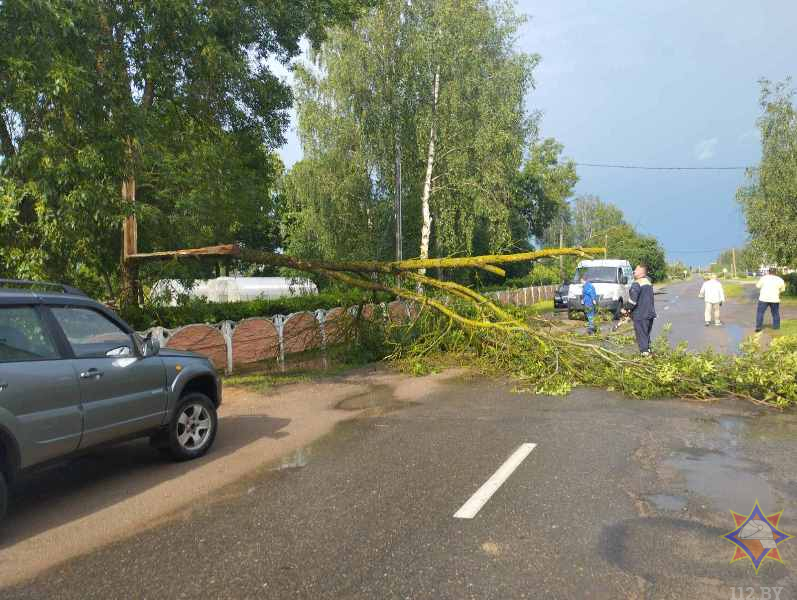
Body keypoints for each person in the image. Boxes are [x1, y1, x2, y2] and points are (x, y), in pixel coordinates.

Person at [628, 264, 656, 356]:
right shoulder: (648, 282)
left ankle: (645, 357)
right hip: (649, 314)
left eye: (636, 269)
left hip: (640, 315)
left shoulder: (637, 283)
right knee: (646, 335)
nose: (634, 271)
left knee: (641, 336)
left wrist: (625, 309)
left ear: (641, 272)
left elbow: (632, 301)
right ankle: (649, 352)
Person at [755, 268, 786, 332]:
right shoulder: (780, 279)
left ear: (769, 272)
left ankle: (758, 327)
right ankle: (776, 327)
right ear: (775, 272)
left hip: (763, 298)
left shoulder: (763, 278)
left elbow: (758, 286)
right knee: (775, 313)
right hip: (774, 299)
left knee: (760, 313)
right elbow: (783, 289)